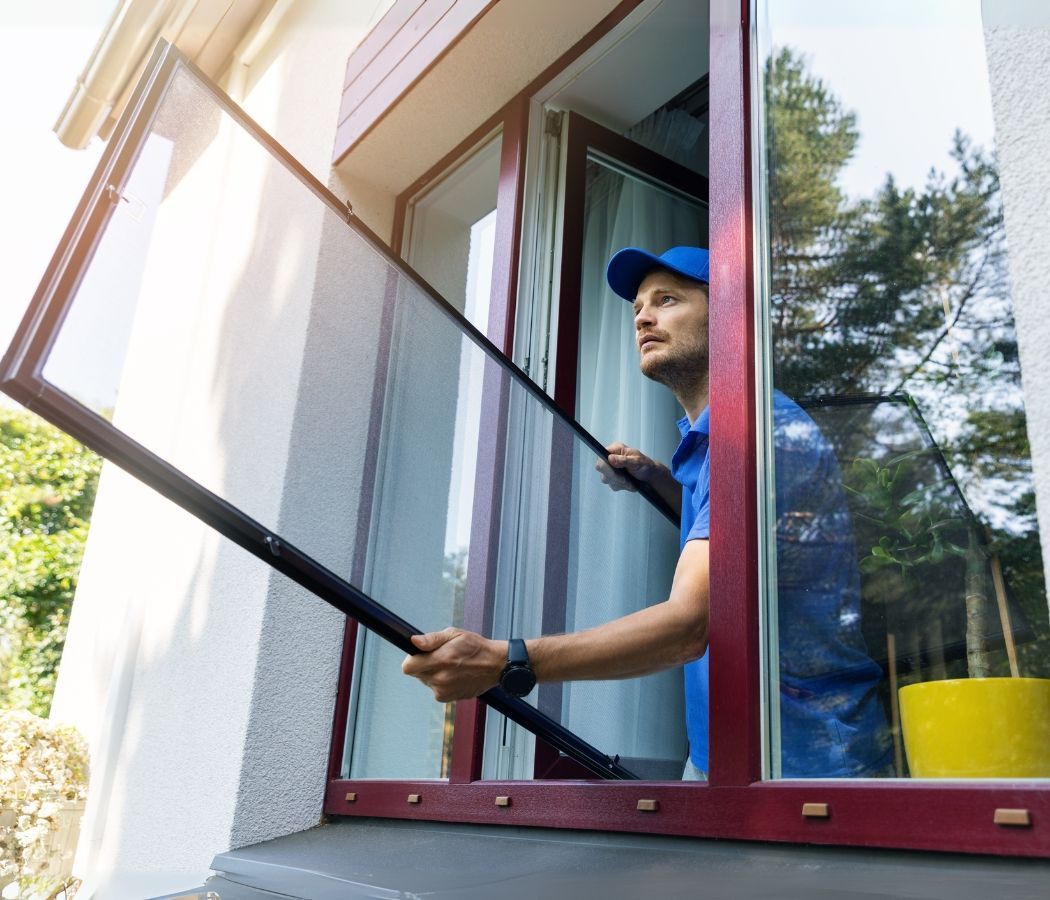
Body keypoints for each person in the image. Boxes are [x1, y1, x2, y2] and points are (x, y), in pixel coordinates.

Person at [403, 245, 891, 779]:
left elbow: (689, 625)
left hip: (805, 768)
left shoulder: (756, 436)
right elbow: (738, 542)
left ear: (728, 317)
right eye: (638, 306)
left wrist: (507, 660)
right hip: (725, 758)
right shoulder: (713, 441)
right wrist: (660, 481)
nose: (643, 316)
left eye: (667, 300)